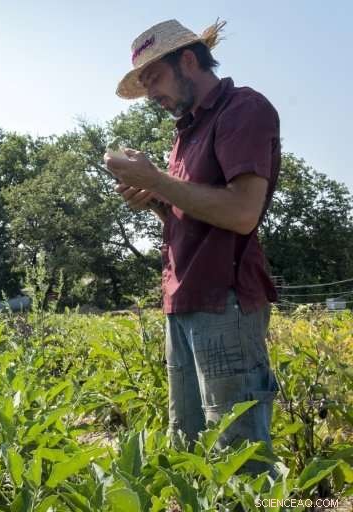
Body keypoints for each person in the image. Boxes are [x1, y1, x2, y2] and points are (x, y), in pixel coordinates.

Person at [105, 19, 280, 473]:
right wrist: (156, 202)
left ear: (187, 60)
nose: (151, 94)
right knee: (191, 449)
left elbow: (242, 213)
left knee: (238, 457)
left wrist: (159, 180)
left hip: (224, 300)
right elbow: (195, 217)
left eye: (154, 78)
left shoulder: (243, 110)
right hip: (182, 299)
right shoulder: (185, 132)